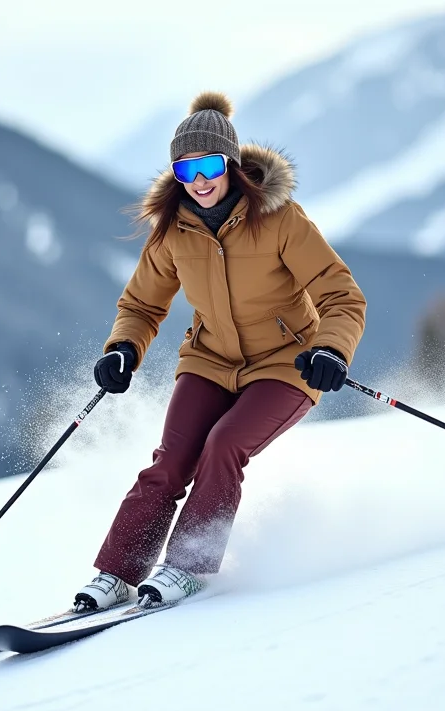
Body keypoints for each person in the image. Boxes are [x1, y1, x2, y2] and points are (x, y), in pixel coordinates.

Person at [75, 91, 366, 609]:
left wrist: (331, 349)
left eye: (209, 165)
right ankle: (116, 574)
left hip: (287, 363)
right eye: (186, 170)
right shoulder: (173, 231)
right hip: (210, 360)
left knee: (224, 444)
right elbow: (141, 304)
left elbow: (340, 294)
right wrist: (122, 348)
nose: (200, 180)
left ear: (231, 163)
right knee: (171, 462)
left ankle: (188, 565)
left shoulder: (280, 219)